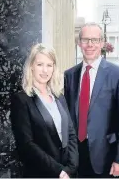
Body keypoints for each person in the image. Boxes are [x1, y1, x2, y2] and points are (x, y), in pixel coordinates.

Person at [64, 23, 119, 178]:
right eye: (85, 40)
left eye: (95, 40)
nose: (90, 44)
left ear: (102, 43)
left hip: (106, 156)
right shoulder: (69, 75)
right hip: (75, 155)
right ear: (79, 42)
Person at [10, 43, 78, 178]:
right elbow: (26, 145)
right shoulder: (22, 100)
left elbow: (70, 133)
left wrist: (71, 167)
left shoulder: (59, 97)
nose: (45, 70)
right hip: (41, 173)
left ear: (54, 68)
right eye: (40, 64)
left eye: (49, 65)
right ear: (31, 67)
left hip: (67, 173)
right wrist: (59, 170)